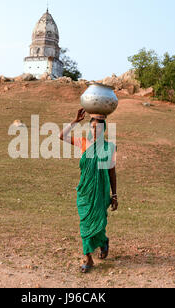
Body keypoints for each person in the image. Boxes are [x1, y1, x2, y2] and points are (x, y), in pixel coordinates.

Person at [60, 108, 118, 273]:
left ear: (103, 129)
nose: (94, 130)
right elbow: (61, 136)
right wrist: (75, 121)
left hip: (101, 192)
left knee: (99, 223)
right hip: (85, 191)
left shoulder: (110, 147)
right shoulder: (83, 142)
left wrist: (114, 195)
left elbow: (112, 172)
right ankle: (88, 257)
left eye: (98, 128)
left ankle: (103, 241)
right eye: (92, 128)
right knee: (85, 223)